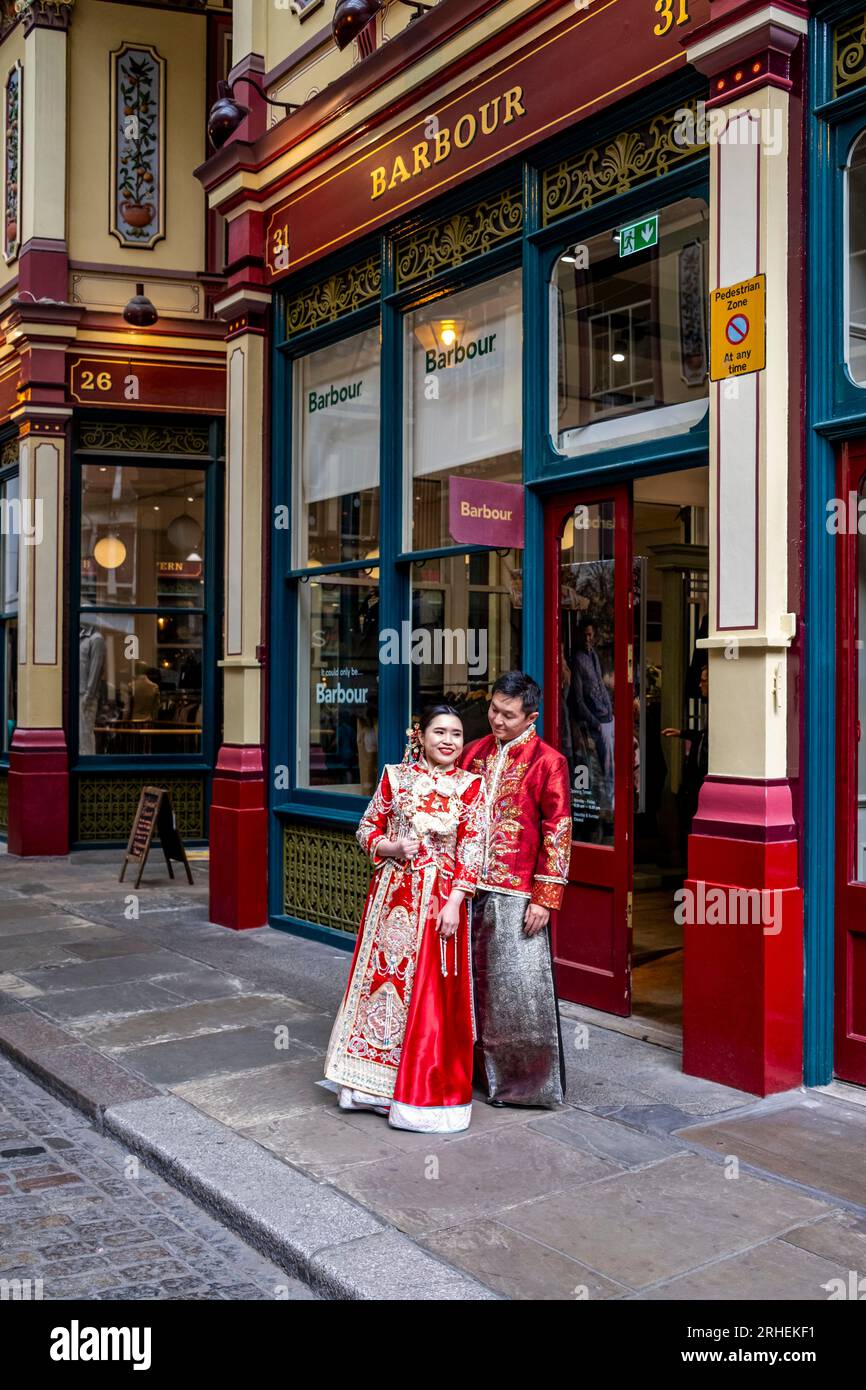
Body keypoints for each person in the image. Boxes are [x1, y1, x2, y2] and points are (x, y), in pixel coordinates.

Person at [324, 704, 486, 1133]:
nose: (449, 741)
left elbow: (474, 851)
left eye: (456, 734)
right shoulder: (396, 777)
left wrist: (455, 901)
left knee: (430, 995)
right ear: (421, 735)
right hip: (392, 900)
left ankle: (420, 1094)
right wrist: (392, 849)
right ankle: (369, 1089)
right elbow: (365, 829)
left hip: (438, 904)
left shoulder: (472, 787)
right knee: (383, 988)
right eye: (439, 732)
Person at [460, 671, 572, 1108]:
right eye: (492, 709)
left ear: (531, 717)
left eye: (507, 714)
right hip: (468, 886)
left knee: (518, 991)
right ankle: (472, 1074)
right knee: (470, 986)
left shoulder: (549, 761)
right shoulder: (474, 752)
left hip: (517, 891)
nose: (496, 720)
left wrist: (545, 896)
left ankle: (525, 1085)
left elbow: (557, 830)